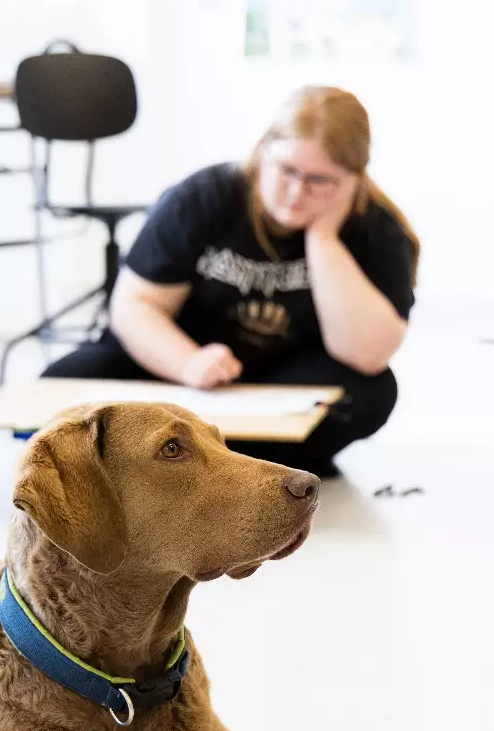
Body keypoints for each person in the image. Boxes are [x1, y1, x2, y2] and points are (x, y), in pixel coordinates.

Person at [42, 86, 419, 477]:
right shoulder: (204, 197)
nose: (296, 193)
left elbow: (366, 353)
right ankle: (231, 459)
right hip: (186, 372)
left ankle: (196, 462)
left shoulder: (376, 228)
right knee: (61, 384)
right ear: (262, 151)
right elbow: (135, 306)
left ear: (354, 180)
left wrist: (323, 239)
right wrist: (187, 362)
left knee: (372, 392)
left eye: (320, 180)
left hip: (285, 380)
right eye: (287, 171)